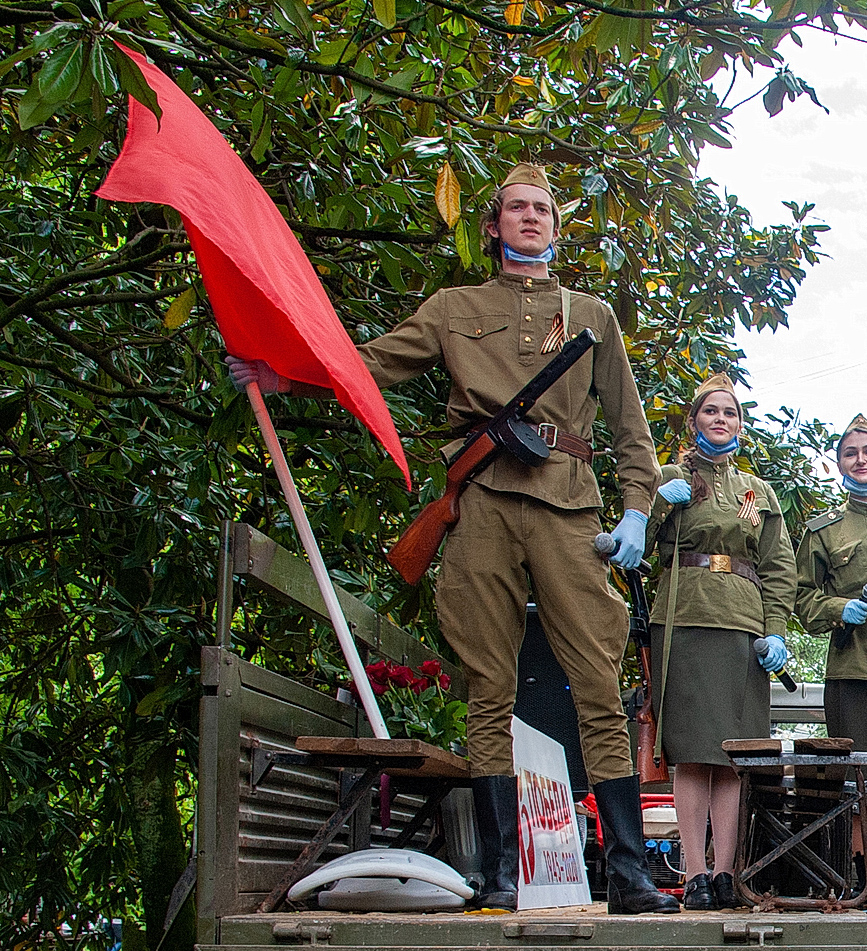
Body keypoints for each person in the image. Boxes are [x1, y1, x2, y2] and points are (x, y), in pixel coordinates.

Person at [226, 162, 679, 915]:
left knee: (599, 683)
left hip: (568, 505)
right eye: (516, 209)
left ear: (555, 228)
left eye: (542, 209)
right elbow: (368, 366)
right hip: (479, 504)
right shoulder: (452, 307)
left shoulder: (590, 313)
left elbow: (630, 430)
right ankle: (499, 872)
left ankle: (629, 873)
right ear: (493, 225)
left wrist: (635, 511)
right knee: (486, 688)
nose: (530, 218)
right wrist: (282, 377)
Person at [645, 374, 796, 910]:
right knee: (691, 752)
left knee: (734, 755)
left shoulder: (760, 492)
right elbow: (636, 549)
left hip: (742, 622)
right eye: (710, 411)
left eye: (729, 412)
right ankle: (693, 875)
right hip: (684, 619)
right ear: (694, 421)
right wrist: (660, 503)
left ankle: (727, 873)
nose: (720, 419)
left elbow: (779, 568)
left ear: (740, 423)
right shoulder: (667, 478)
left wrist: (775, 628)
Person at [795, 413, 867, 895]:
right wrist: (844, 607)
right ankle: (863, 875)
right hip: (853, 672)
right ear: (837, 462)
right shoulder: (824, 530)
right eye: (851, 453)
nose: (861, 461)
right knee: (859, 780)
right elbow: (801, 600)